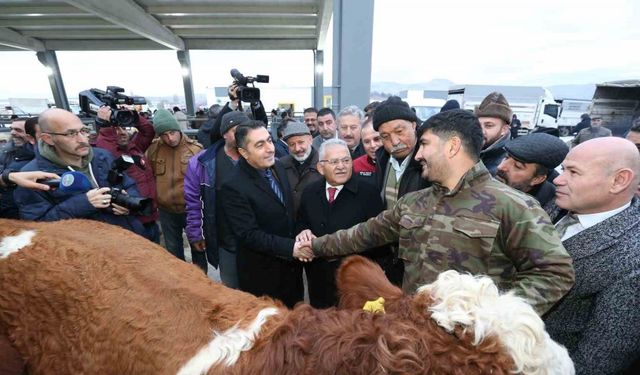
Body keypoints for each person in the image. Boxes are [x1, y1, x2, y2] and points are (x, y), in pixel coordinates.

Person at [298, 109, 575, 315]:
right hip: (413, 336)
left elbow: (555, 273)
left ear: (452, 146)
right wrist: (314, 246)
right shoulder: (414, 203)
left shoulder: (513, 207)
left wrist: (489, 313)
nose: (417, 155)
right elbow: (362, 235)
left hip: (469, 350)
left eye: (426, 144)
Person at [544, 137, 640, 374]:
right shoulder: (559, 206)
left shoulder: (632, 258)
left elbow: (600, 358)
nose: (558, 179)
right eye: (563, 169)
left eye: (573, 172)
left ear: (619, 181)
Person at [14, 109, 148, 238]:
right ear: (48, 138)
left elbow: (129, 184)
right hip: (86, 253)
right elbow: (37, 226)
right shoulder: (32, 176)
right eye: (71, 133)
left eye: (83, 131)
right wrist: (84, 203)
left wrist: (127, 203)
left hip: (130, 238)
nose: (82, 139)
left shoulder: (102, 156)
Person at [221, 121, 306, 308]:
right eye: (260, 145)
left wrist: (301, 231)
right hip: (263, 277)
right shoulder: (233, 186)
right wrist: (291, 247)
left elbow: (288, 211)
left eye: (269, 140)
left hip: (292, 272)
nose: (270, 149)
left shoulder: (278, 168)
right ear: (243, 153)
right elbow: (248, 234)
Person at [296, 139, 388, 308]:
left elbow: (379, 237)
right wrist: (303, 231)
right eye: (334, 162)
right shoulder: (310, 192)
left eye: (346, 160)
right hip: (319, 279)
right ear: (320, 168)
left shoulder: (368, 193)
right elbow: (301, 220)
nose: (341, 166)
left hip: (354, 280)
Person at [185, 111, 251, 289]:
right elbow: (193, 202)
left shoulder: (259, 157)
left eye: (245, 130)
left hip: (256, 241)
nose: (241, 135)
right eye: (235, 130)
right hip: (225, 242)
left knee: (256, 291)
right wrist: (195, 233)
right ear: (223, 134)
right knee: (231, 290)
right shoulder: (201, 162)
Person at [371, 96, 431, 284]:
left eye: (400, 131)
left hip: (421, 259)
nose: (394, 141)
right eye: (385, 137)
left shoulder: (429, 163)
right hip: (389, 254)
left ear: (414, 125)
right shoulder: (381, 159)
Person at [146, 109, 205, 271]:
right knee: (173, 252)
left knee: (198, 249)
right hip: (166, 212)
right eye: (164, 134)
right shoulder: (154, 150)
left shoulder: (196, 150)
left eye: (172, 132)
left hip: (191, 211)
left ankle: (201, 282)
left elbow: (205, 183)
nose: (169, 138)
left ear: (178, 130)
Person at [95, 106, 160, 242]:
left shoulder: (135, 147)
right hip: (132, 221)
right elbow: (105, 142)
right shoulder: (110, 153)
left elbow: (148, 131)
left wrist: (133, 115)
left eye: (123, 128)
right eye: (116, 130)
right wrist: (105, 125)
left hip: (151, 217)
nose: (122, 132)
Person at [496, 133, 569, 207]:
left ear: (537, 179)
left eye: (517, 166)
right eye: (506, 158)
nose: (501, 167)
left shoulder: (548, 212)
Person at [278, 121, 321, 216]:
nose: (297, 148)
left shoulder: (324, 163)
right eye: (292, 144)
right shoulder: (280, 165)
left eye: (301, 142)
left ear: (310, 140)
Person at [0, 118, 36, 218]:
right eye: (11, 129)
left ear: (31, 136)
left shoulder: (38, 158)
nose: (12, 133)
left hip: (22, 213)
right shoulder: (6, 152)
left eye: (18, 130)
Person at [476, 92, 512, 176]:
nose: (481, 131)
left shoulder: (507, 162)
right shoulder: (468, 150)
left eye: (488, 126)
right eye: (477, 125)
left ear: (504, 129)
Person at [352, 116, 383, 184]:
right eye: (367, 142)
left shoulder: (395, 163)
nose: (372, 145)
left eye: (377, 139)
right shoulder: (355, 166)